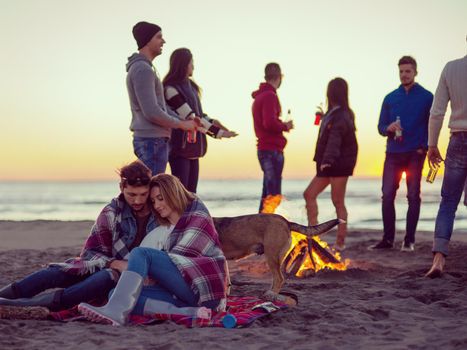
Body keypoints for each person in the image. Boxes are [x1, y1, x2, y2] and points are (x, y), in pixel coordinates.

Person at [0, 161, 156, 311]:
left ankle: (31, 305)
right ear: (121, 187)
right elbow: (90, 253)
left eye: (143, 194)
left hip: (127, 277)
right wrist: (115, 263)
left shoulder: (159, 213)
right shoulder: (111, 212)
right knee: (54, 273)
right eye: (132, 194)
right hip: (105, 266)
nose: (138, 200)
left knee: (105, 277)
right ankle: (5, 296)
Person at [78, 174, 227, 326]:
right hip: (188, 298)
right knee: (116, 295)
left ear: (173, 193)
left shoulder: (198, 214)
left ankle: (116, 312)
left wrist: (153, 270)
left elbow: (184, 260)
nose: (156, 205)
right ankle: (189, 313)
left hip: (205, 293)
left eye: (161, 198)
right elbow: (167, 268)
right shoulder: (163, 229)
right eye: (154, 201)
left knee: (141, 253)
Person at [370, 56, 433, 252]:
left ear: (415, 72)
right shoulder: (390, 98)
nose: (404, 75)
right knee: (387, 195)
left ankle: (409, 241)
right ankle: (388, 240)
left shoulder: (427, 96)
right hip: (393, 153)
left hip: (415, 153)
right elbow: (380, 127)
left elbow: (433, 124)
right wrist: (387, 127)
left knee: (413, 196)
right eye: (401, 71)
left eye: (408, 71)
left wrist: (425, 147)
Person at [127, 21, 198, 176]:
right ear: (147, 40)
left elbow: (162, 108)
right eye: (159, 37)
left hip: (156, 141)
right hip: (151, 141)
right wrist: (181, 124)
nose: (163, 41)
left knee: (153, 192)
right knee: (152, 194)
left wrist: (185, 122)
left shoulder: (147, 68)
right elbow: (152, 112)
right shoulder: (142, 69)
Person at [163, 48, 238, 193]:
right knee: (182, 194)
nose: (193, 66)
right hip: (180, 149)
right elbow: (191, 118)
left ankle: (193, 217)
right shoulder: (170, 89)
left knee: (192, 194)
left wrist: (214, 122)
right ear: (183, 64)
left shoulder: (191, 87)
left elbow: (199, 115)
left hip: (195, 149)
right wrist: (220, 133)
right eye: (191, 63)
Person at [425, 47, 467, 278]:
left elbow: (437, 111)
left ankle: (439, 260)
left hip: (458, 139)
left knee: (448, 202)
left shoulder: (451, 68)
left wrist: (432, 144)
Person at [303, 78, 358, 251]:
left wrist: (327, 161)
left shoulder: (342, 114)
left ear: (331, 93)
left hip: (339, 163)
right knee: (309, 194)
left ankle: (340, 242)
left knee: (337, 201)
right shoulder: (332, 113)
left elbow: (335, 139)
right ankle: (314, 233)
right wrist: (322, 118)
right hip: (328, 162)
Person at [252, 63, 294, 212]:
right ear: (279, 77)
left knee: (268, 194)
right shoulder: (270, 96)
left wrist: (281, 125)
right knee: (273, 195)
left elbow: (267, 122)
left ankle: (260, 227)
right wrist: (285, 126)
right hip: (271, 150)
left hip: (265, 148)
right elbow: (269, 123)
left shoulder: (262, 96)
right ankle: (267, 228)